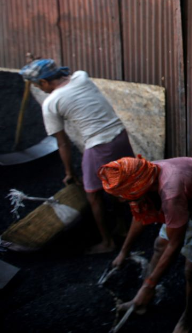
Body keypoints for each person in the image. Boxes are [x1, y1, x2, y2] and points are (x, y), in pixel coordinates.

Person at [98, 156, 192, 333]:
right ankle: (145, 298)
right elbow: (139, 216)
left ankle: (189, 316)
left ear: (137, 188)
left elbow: (175, 244)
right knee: (159, 244)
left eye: (122, 196)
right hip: (187, 193)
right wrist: (124, 252)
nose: (121, 200)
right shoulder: (143, 175)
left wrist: (149, 285)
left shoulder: (171, 194)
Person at [19, 57, 134, 254]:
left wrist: (69, 172)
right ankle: (122, 227)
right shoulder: (82, 77)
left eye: (38, 85)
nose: (39, 89)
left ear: (44, 82)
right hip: (121, 137)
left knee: (93, 194)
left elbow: (62, 143)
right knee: (116, 183)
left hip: (99, 144)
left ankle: (107, 243)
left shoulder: (51, 103)